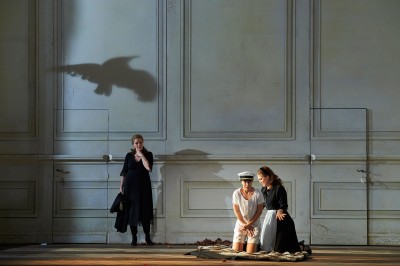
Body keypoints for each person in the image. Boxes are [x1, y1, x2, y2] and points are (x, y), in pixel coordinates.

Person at [257, 166, 311, 254]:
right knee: (265, 247)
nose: (260, 181)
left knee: (280, 250)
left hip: (281, 220)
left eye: (261, 179)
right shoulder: (263, 190)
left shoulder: (279, 188)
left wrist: (280, 210)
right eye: (259, 179)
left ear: (267, 176)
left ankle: (302, 247)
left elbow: (283, 205)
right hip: (270, 218)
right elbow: (263, 205)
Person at [120, 134, 154, 246]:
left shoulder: (148, 154)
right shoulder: (128, 156)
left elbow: (148, 168)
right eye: (136, 143)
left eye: (140, 142)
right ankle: (134, 238)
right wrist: (121, 186)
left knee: (145, 211)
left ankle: (147, 238)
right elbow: (124, 171)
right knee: (132, 212)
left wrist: (141, 155)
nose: (139, 144)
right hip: (130, 187)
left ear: (143, 142)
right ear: (133, 144)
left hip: (144, 187)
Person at [232, 171, 264, 253]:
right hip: (241, 224)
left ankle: (255, 245)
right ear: (241, 181)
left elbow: (259, 211)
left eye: (249, 181)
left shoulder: (258, 193)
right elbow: (237, 212)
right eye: (245, 181)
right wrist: (245, 226)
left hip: (254, 225)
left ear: (252, 181)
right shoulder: (236, 193)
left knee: (250, 254)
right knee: (236, 252)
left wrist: (249, 225)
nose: (247, 183)